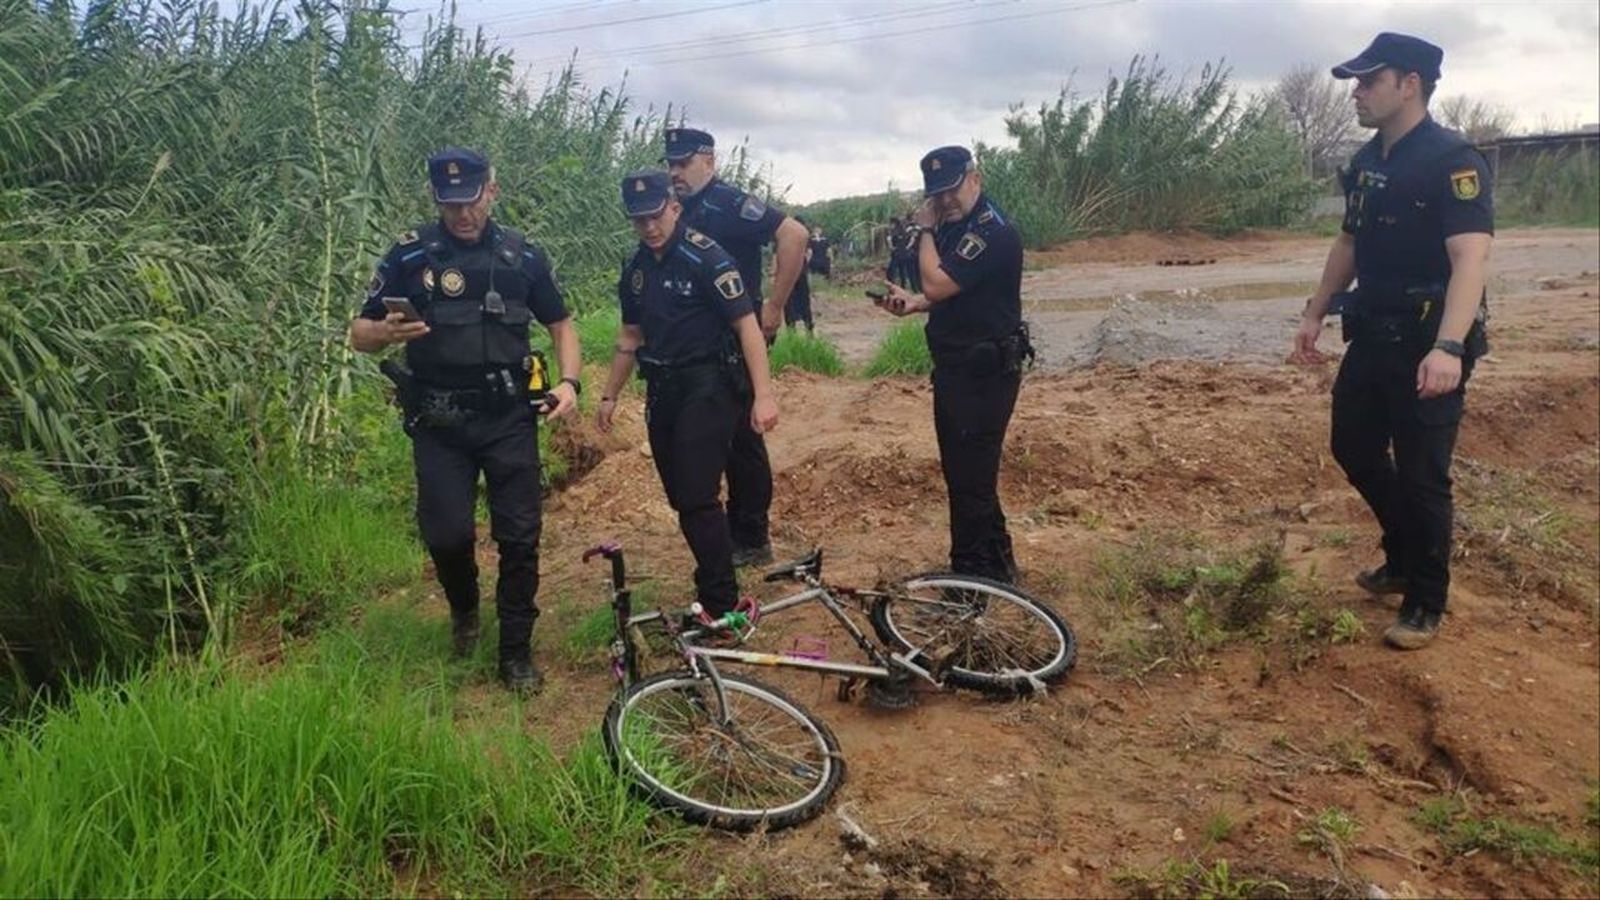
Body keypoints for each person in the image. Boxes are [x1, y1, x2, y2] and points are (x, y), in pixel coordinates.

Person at [351, 147, 581, 693]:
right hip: (440, 421)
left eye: (471, 201)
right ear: (436, 199)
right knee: (447, 534)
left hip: (508, 417)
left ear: (491, 192)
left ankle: (516, 651)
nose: (461, 214)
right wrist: (383, 334)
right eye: (449, 203)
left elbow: (562, 324)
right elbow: (358, 332)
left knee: (520, 536)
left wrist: (569, 383)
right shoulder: (411, 256)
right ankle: (465, 608)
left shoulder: (523, 257)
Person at [1290, 33, 1493, 651]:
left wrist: (1449, 347)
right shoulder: (1366, 161)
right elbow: (1348, 244)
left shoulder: (1453, 160)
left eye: (1368, 80)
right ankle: (1405, 553)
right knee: (1351, 445)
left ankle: (1426, 598)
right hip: (1372, 334)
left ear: (1410, 84)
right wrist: (1315, 310)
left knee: (1425, 474)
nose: (1357, 91)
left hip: (1428, 342)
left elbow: (1470, 260)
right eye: (1356, 81)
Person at [595, 170, 779, 621]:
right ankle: (714, 581)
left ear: (674, 207)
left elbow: (747, 326)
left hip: (710, 384)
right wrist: (609, 395)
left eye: (656, 216)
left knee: (697, 494)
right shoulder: (636, 271)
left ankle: (722, 602)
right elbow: (630, 335)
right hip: (664, 389)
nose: (649, 227)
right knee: (682, 496)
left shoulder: (706, 258)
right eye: (639, 220)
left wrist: (764, 394)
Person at [877, 146, 1031, 583]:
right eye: (937, 195)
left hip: (984, 374)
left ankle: (970, 583)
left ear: (975, 179)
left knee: (969, 484)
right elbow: (951, 293)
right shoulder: (959, 227)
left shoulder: (990, 231)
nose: (944, 201)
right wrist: (915, 304)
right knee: (969, 479)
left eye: (951, 190)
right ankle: (999, 567)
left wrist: (924, 232)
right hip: (958, 369)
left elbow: (938, 281)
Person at [664, 127, 808, 568]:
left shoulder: (729, 205)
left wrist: (775, 305)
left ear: (708, 161)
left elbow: (795, 235)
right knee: (717, 441)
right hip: (696, 348)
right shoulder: (676, 210)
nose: (675, 173)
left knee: (743, 439)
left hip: (735, 344)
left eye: (683, 164)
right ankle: (732, 530)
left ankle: (751, 536)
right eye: (670, 165)